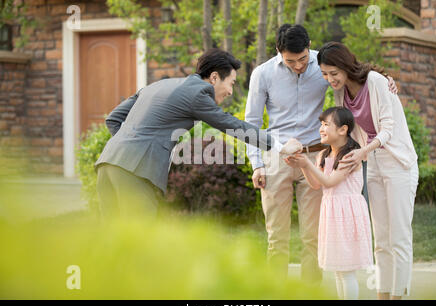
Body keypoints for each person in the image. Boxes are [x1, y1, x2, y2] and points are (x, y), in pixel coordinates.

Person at [245, 24, 396, 284]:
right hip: (275, 159)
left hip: (315, 158)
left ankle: (309, 292)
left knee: (313, 236)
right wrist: (257, 164)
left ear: (309, 47)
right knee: (276, 237)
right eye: (291, 61)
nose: (299, 65)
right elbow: (251, 122)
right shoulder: (263, 74)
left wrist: (386, 79)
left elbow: (355, 73)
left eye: (303, 58)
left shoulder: (323, 65)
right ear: (278, 51)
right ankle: (274, 294)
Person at [95, 48, 290, 219]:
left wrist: (127, 150)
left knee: (115, 241)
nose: (231, 91)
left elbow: (113, 118)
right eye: (231, 83)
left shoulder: (157, 85)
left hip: (108, 163)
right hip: (135, 172)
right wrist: (279, 146)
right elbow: (230, 124)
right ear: (214, 78)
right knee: (139, 238)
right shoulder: (199, 93)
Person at [317, 42, 419, 300]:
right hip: (372, 163)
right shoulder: (341, 94)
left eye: (333, 73)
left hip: (398, 163)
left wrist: (364, 151)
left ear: (344, 65)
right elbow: (346, 131)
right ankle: (382, 296)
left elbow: (387, 127)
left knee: (399, 238)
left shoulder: (375, 82)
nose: (330, 79)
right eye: (324, 74)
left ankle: (399, 296)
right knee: (381, 240)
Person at [285, 107, 374, 300]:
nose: (321, 129)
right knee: (337, 270)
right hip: (332, 214)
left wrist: (306, 164)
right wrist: (303, 167)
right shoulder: (323, 156)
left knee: (347, 271)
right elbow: (316, 184)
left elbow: (330, 182)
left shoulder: (351, 155)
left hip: (347, 215)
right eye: (321, 124)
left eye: (326, 125)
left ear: (342, 130)